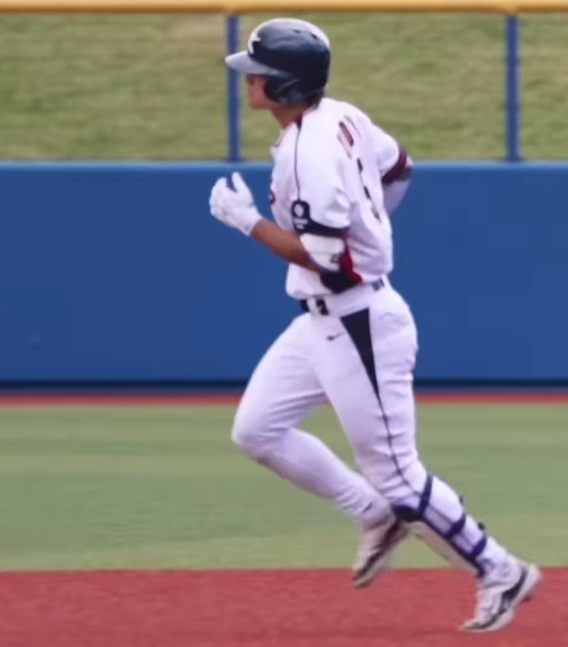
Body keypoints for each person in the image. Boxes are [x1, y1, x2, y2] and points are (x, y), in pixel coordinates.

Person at [208, 17, 540, 632]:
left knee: (398, 473)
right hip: (321, 321)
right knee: (257, 430)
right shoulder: (339, 115)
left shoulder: (309, 149)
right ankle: (373, 514)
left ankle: (501, 571)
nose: (248, 80)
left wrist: (249, 223)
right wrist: (371, 222)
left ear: (284, 85)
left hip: (357, 319)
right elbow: (399, 168)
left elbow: (328, 259)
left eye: (259, 73)